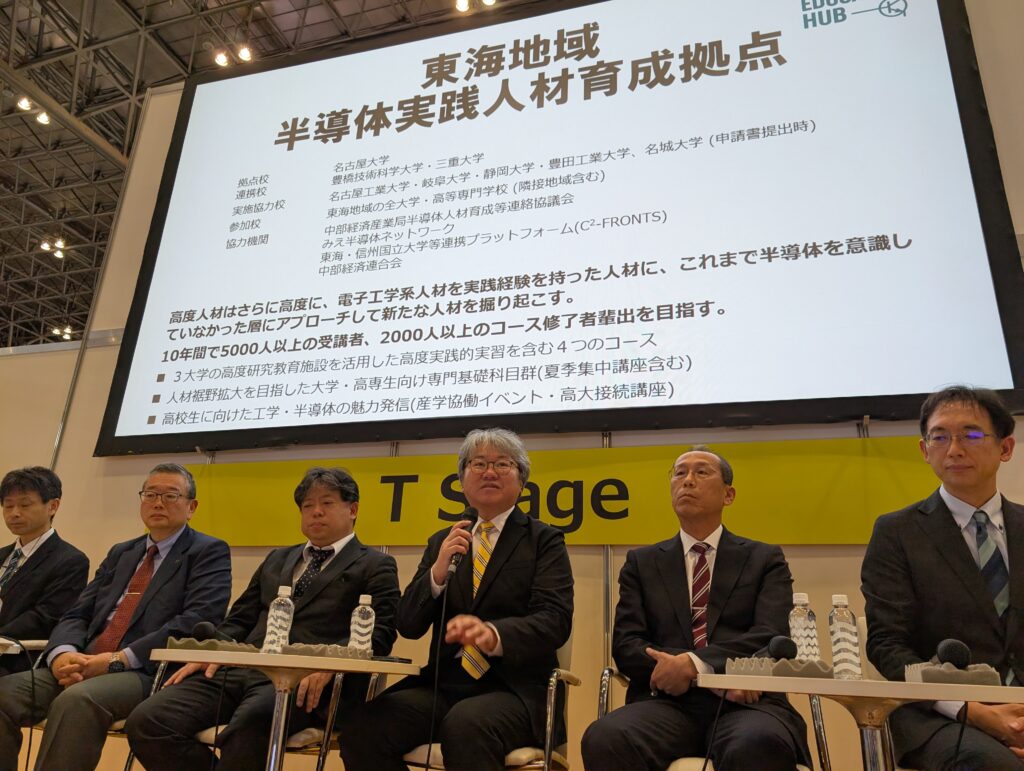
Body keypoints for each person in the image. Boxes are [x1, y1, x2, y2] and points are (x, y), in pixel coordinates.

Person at [125, 466, 400, 770]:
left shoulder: (375, 565)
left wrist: (329, 664)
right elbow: (238, 620)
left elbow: (380, 634)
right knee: (148, 721)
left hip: (304, 682)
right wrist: (211, 652)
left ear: (353, 509)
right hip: (241, 670)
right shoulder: (278, 559)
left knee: (247, 730)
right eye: (308, 505)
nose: (316, 512)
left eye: (327, 503)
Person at [340, 428, 574, 771]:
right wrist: (435, 575)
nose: (489, 472)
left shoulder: (544, 540)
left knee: (465, 724)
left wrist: (493, 634)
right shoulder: (443, 541)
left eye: (502, 464)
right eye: (478, 464)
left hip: (516, 690)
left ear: (522, 480)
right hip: (444, 685)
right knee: (363, 728)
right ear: (462, 480)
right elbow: (408, 624)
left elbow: (555, 620)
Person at [581, 446, 811, 771]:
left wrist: (695, 665)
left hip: (746, 702)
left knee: (758, 743)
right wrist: (685, 672)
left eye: (701, 472)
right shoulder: (642, 563)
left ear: (728, 495)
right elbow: (627, 644)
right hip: (667, 704)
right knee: (605, 737)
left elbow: (770, 636)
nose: (687, 480)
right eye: (679, 473)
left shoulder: (764, 559)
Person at [0, 462, 231, 771]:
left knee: (77, 700)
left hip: (144, 669)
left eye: (170, 495)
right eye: (150, 494)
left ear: (192, 507)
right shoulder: (123, 552)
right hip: (83, 661)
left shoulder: (207, 551)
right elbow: (77, 612)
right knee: (4, 694)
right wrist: (62, 654)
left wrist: (117, 659)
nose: (158, 503)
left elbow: (196, 620)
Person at [862, 385, 1024, 770]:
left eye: (970, 435)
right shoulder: (897, 533)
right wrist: (971, 709)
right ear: (925, 450)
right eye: (940, 437)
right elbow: (887, 644)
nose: (954, 449)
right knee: (987, 764)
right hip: (940, 716)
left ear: (1005, 448)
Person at [0, 466, 88, 676]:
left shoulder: (70, 561)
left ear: (53, 506)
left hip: (18, 659)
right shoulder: (3, 555)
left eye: (25, 505)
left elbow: (44, 618)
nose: (14, 513)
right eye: (8, 505)